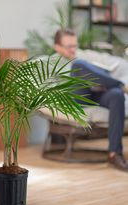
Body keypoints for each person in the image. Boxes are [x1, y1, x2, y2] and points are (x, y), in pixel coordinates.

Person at [53, 28, 128, 172]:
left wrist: (101, 79)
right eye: (69, 46)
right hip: (74, 97)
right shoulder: (52, 62)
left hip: (93, 92)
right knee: (78, 65)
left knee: (116, 95)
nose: (73, 50)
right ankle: (121, 85)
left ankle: (114, 154)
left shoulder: (84, 55)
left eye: (75, 45)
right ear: (57, 47)